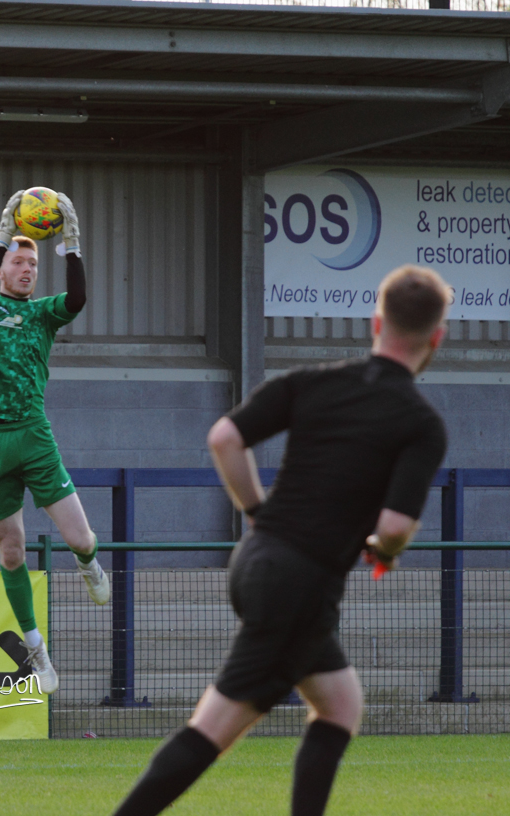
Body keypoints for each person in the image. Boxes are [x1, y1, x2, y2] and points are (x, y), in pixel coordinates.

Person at [108, 265, 450, 816]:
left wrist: (255, 512)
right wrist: (385, 551)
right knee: (214, 727)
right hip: (300, 584)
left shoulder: (313, 382)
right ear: (437, 337)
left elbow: (225, 437)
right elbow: (393, 526)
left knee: (340, 704)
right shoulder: (420, 422)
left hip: (256, 560)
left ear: (376, 322)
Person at [0, 189, 110, 695]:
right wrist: (2, 237)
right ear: (2, 268)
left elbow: (77, 300)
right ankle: (37, 650)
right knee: (12, 550)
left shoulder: (43, 314)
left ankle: (89, 564)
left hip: (33, 435)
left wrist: (72, 245)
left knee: (80, 539)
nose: (26, 270)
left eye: (33, 265)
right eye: (18, 263)